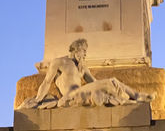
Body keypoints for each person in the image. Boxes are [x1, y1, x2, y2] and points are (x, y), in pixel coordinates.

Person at [22, 39, 152, 109]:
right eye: (83, 51)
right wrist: (38, 99)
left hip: (81, 93)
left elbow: (94, 83)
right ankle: (136, 97)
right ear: (75, 50)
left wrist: (108, 88)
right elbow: (46, 82)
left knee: (111, 83)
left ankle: (133, 98)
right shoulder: (59, 61)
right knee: (110, 81)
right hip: (69, 96)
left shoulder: (82, 66)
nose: (85, 54)